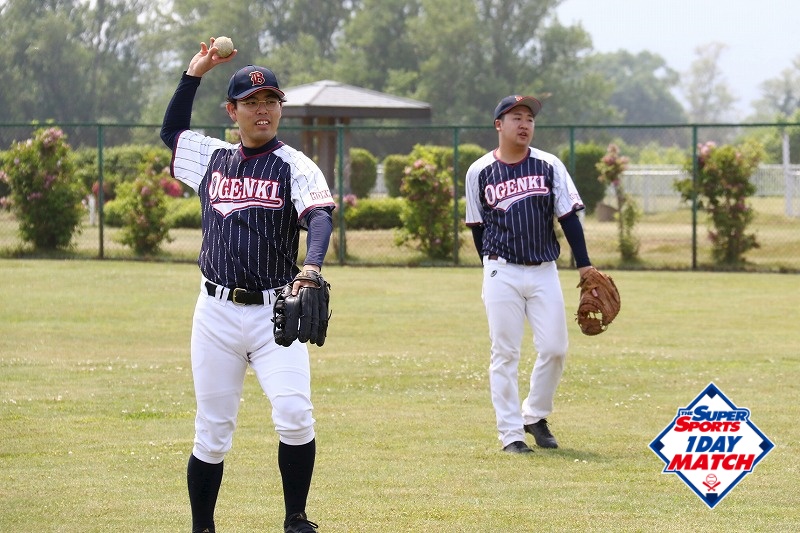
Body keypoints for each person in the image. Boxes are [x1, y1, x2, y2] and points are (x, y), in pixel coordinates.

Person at [160, 38, 334, 532]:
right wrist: (194, 73)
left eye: (271, 101)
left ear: (281, 108)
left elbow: (319, 216)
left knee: (295, 414)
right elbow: (172, 132)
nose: (263, 110)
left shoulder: (294, 164)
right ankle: (202, 527)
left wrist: (311, 268)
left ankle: (296, 519)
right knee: (212, 432)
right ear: (231, 111)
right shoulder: (213, 158)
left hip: (274, 311)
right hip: (215, 314)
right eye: (251, 102)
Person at [465, 95, 595, 454]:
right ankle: (511, 434)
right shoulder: (479, 171)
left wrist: (584, 264)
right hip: (501, 270)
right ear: (499, 125)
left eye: (530, 119)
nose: (525, 124)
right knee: (505, 354)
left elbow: (568, 217)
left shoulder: (549, 165)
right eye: (517, 117)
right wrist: (490, 267)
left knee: (555, 349)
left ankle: (534, 414)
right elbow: (477, 226)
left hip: (543, 270)